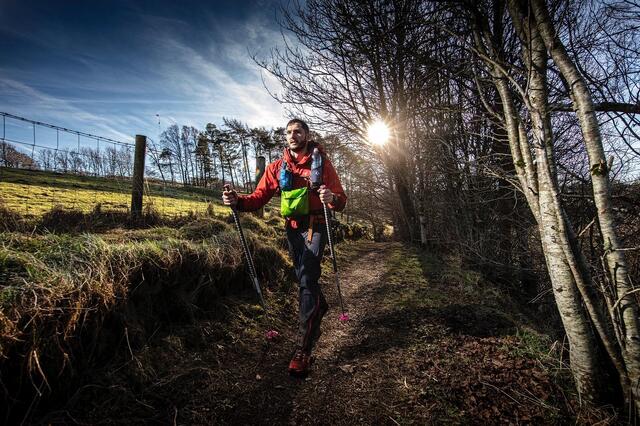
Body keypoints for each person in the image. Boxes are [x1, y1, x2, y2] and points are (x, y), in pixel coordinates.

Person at [222, 118, 346, 375]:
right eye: (289, 132)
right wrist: (236, 200)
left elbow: (340, 198)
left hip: (316, 225)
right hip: (292, 229)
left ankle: (303, 349)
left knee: (307, 278)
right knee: (303, 277)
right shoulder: (277, 167)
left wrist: (331, 198)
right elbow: (258, 198)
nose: (293, 135)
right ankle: (319, 306)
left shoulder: (321, 164)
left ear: (307, 135)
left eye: (298, 131)